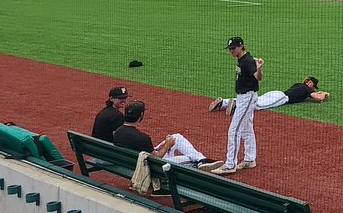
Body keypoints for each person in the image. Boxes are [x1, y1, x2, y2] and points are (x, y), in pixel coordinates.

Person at [113, 101, 222, 171]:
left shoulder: (118, 132)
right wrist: (166, 146)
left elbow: (146, 151)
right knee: (190, 158)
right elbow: (156, 158)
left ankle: (202, 159)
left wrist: (162, 146)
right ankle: (199, 161)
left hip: (132, 163)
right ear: (141, 115)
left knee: (176, 137)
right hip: (152, 168)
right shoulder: (142, 138)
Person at [210, 37, 262, 175]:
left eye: (233, 48)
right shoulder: (243, 59)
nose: (231, 51)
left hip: (247, 97)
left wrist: (259, 68)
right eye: (230, 49)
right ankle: (250, 159)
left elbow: (258, 77)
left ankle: (230, 164)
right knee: (246, 127)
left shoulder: (248, 61)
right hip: (243, 96)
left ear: (241, 47)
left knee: (234, 130)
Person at [210, 77, 327, 113]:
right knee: (258, 105)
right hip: (282, 98)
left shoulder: (298, 85)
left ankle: (224, 102)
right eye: (313, 86)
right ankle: (236, 104)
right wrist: (324, 94)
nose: (313, 89)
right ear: (309, 83)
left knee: (257, 100)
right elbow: (318, 98)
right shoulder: (306, 89)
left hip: (275, 93)